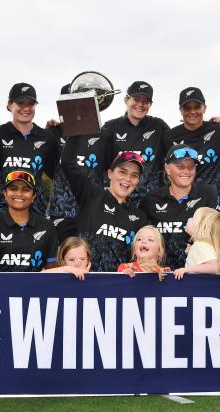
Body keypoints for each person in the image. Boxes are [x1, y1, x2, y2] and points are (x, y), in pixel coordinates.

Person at [61, 138, 149, 271]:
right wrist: (74, 132)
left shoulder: (139, 218)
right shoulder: (91, 194)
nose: (127, 179)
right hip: (83, 281)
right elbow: (68, 164)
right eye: (122, 172)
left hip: (117, 287)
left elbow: (144, 256)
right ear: (110, 174)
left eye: (134, 175)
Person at [140, 145, 220, 269]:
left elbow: (218, 234)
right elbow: (142, 238)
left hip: (197, 274)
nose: (186, 171)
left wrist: (197, 245)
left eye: (191, 167)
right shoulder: (151, 199)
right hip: (160, 275)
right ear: (167, 168)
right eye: (180, 167)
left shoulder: (208, 194)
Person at [48, 84, 111, 241]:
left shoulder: (104, 135)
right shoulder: (53, 132)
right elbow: (48, 168)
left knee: (87, 260)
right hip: (61, 212)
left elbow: (109, 171)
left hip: (91, 212)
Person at [163, 87, 220, 215]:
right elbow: (165, 170)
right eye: (187, 108)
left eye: (197, 107)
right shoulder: (169, 136)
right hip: (183, 206)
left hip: (216, 205)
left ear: (204, 108)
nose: (192, 111)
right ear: (180, 110)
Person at [0, 83, 56, 217]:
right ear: (9, 105)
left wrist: (62, 130)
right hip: (0, 213)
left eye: (31, 103)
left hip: (35, 213)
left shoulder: (47, 137)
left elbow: (55, 172)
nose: (26, 108)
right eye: (20, 103)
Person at [103, 81, 171, 207]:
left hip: (152, 204)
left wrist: (209, 126)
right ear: (126, 99)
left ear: (150, 104)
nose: (140, 104)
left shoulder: (159, 126)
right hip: (118, 203)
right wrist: (59, 129)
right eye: (136, 99)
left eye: (145, 101)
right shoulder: (110, 127)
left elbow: (181, 143)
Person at [0, 170, 58, 272]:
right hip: (0, 287)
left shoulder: (47, 226)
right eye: (13, 189)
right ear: (5, 194)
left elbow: (52, 274)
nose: (19, 194)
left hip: (36, 287)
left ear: (33, 196)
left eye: (25, 190)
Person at [173, 207, 220, 279]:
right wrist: (192, 252)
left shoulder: (201, 245)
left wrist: (187, 269)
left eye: (193, 218)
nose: (189, 219)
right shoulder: (201, 245)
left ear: (201, 227)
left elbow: (213, 267)